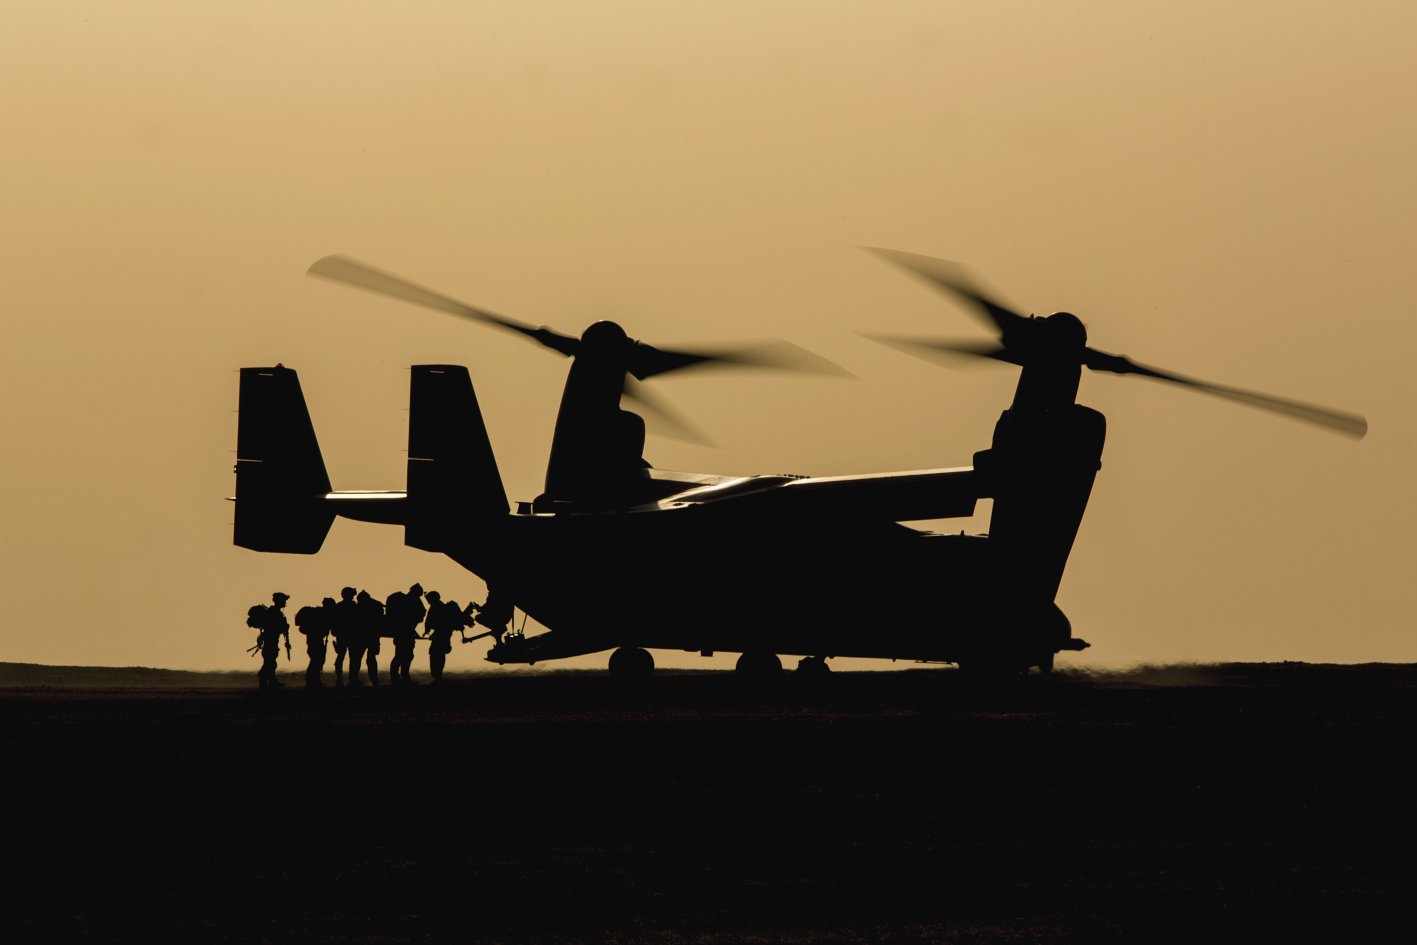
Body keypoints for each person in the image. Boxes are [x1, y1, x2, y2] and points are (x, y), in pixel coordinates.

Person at [384, 583, 427, 687]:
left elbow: (421, 613)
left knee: (405, 655)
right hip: (404, 632)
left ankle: (401, 678)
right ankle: (400, 678)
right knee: (402, 656)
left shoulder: (407, 600)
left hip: (403, 632)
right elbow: (421, 613)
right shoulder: (409, 600)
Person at [422, 591, 470, 684]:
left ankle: (437, 677)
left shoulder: (435, 608)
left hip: (440, 635)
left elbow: (429, 622)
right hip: (445, 634)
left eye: (428, 599)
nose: (427, 601)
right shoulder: (441, 607)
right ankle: (438, 677)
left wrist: (427, 631)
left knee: (436, 655)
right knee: (439, 655)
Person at [250, 592, 291, 690]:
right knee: (270, 662)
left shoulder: (276, 612)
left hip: (272, 641)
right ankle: (264, 680)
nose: (285, 602)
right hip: (270, 641)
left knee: (271, 662)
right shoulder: (274, 613)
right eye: (284, 600)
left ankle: (271, 681)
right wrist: (283, 627)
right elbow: (272, 628)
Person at [295, 597, 336, 688]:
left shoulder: (321, 613)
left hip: (315, 640)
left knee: (317, 660)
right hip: (315, 640)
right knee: (316, 660)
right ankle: (312, 681)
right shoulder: (321, 614)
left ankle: (314, 681)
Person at [355, 589, 385, 687]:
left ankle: (354, 679)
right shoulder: (377, 605)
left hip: (362, 637)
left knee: (358, 658)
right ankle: (374, 681)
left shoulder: (359, 607)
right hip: (373, 636)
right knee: (371, 659)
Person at [331, 586, 358, 687]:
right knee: (352, 658)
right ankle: (351, 679)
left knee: (342, 656)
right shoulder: (353, 607)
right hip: (350, 635)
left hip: (342, 635)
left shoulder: (339, 606)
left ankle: (341, 679)